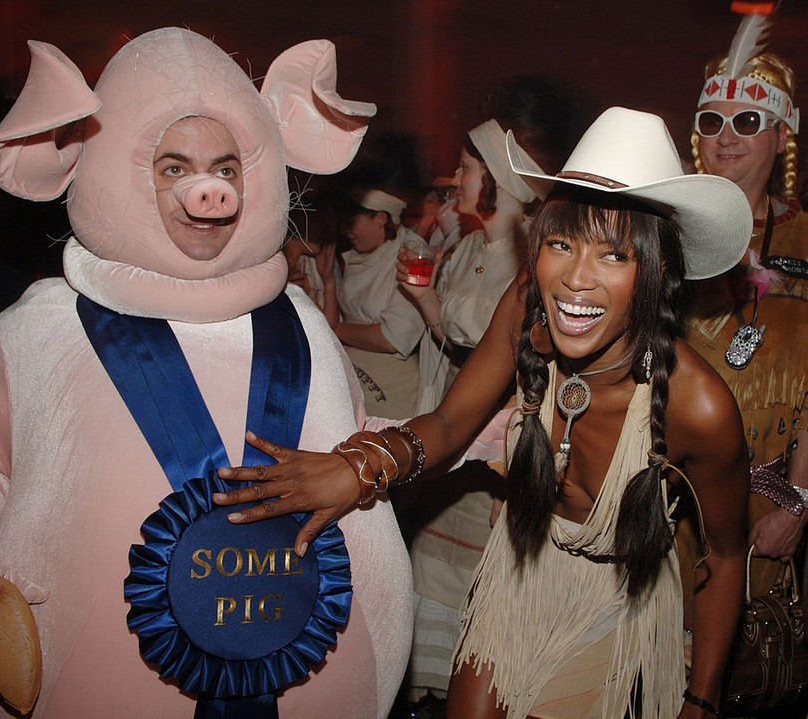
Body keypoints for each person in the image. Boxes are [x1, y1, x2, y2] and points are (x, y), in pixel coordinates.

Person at [213, 107, 753, 718]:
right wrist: (359, 467)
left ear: (654, 270)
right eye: (560, 243)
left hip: (615, 607)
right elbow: (448, 424)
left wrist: (702, 701)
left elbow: (726, 554)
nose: (576, 279)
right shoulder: (527, 303)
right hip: (516, 570)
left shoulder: (699, 405)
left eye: (614, 255)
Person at [0, 28, 412, 718]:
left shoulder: (302, 320)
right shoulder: (38, 329)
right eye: (171, 167)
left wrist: (426, 441)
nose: (206, 193)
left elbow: (350, 432)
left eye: (226, 168)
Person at [395, 109, 564, 706]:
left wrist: (516, 481)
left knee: (477, 611)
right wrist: (423, 300)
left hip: (488, 460)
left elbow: (527, 371)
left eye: (466, 169)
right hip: (449, 434)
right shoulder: (467, 246)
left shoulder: (530, 261)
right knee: (428, 580)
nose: (456, 179)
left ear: (495, 175)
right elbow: (456, 342)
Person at [683, 19, 808, 609]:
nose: (726, 137)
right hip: (662, 491)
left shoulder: (807, 240)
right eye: (712, 121)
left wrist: (800, 497)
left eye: (749, 121)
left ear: (781, 136)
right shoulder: (665, 230)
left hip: (767, 501)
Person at [319, 187, 428, 419]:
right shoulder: (354, 255)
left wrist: (338, 330)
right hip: (354, 383)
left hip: (392, 392)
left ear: (380, 218)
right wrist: (328, 281)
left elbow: (393, 338)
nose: (345, 229)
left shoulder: (409, 255)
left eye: (351, 221)